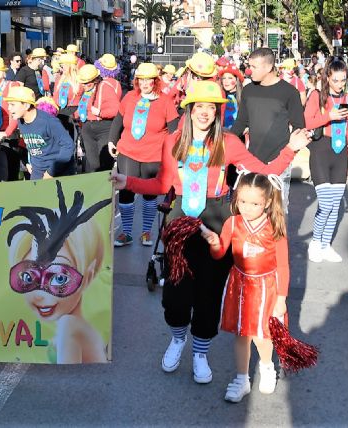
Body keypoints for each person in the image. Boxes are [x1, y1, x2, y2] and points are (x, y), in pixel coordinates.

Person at [109, 80, 310, 385]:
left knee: (208, 295)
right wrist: (129, 183)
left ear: (218, 111)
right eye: (199, 106)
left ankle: (200, 353)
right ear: (189, 109)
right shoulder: (172, 141)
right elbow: (163, 185)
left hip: (217, 218)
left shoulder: (229, 143)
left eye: (211, 107)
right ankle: (177, 340)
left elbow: (263, 172)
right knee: (175, 297)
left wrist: (289, 151)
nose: (205, 112)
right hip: (180, 221)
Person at [201, 172, 290, 402]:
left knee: (262, 334)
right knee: (241, 334)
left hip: (266, 286)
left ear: (268, 202)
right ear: (236, 198)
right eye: (242, 202)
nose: (247, 208)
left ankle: (267, 367)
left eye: (255, 203)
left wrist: (281, 298)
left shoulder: (275, 227)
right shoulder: (233, 223)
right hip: (239, 284)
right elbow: (221, 253)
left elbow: (283, 265)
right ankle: (242, 379)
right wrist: (214, 244)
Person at [108, 63, 180, 246]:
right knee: (126, 193)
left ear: (155, 80)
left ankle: (146, 232)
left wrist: (173, 157)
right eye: (141, 79)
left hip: (154, 155)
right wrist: (112, 140)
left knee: (149, 196)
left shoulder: (165, 101)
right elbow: (118, 120)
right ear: (136, 80)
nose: (145, 83)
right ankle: (126, 233)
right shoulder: (130, 97)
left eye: (149, 79)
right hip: (128, 152)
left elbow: (173, 131)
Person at [231, 48, 306, 207]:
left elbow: (299, 127)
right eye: (248, 65)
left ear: (268, 67)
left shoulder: (289, 92)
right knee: (251, 210)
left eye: (254, 67)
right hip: (251, 161)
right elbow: (241, 122)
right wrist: (224, 142)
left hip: (280, 161)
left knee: (278, 212)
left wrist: (290, 151)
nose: (249, 70)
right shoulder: (248, 90)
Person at [303, 60, 348, 263]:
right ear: (327, 77)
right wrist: (329, 115)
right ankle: (316, 242)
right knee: (326, 203)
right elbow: (306, 121)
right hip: (321, 150)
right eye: (335, 80)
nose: (340, 84)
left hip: (340, 152)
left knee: (335, 205)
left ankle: (326, 245)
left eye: (343, 80)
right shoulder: (318, 96)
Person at [3, 87, 76, 179]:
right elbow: (29, 146)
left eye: (12, 105)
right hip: (37, 172)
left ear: (26, 105)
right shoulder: (21, 122)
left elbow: (68, 146)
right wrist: (27, 163)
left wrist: (51, 172)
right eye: (8, 104)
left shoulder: (49, 121)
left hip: (58, 173)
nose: (9, 108)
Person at [75, 58, 122, 173]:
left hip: (104, 129)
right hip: (88, 128)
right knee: (92, 164)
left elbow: (116, 110)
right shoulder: (86, 90)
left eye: (86, 82)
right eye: (82, 82)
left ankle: (104, 190)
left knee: (104, 165)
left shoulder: (105, 86)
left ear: (95, 80)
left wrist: (100, 113)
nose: (84, 85)